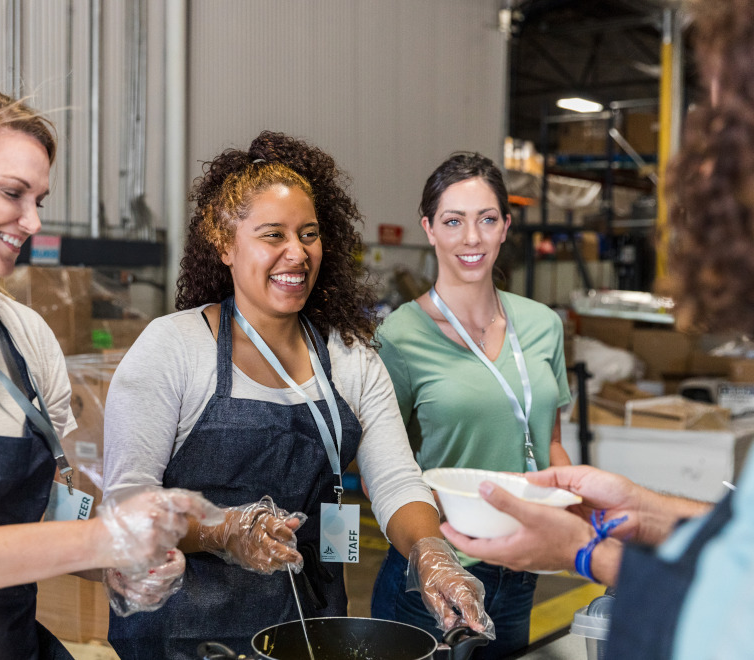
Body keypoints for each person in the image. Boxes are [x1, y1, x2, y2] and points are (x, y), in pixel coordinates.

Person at [441, 1, 754, 658]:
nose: (704, 163)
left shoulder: (539, 322)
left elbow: (744, 620)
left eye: (725, 126)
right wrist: (642, 509)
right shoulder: (405, 333)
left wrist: (584, 552)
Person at [102, 131, 493, 659]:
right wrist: (222, 531)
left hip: (308, 624)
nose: (298, 253)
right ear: (224, 244)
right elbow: (129, 501)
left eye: (309, 234)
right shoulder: (174, 347)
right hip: (183, 630)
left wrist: (430, 553)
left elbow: (397, 481)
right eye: (273, 235)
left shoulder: (350, 358)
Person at [0, 83, 219, 660]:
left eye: (40, 200)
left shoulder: (27, 339)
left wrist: (118, 564)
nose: (32, 221)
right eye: (12, 193)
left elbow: (42, 509)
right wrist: (101, 539)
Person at [370, 151, 571, 658]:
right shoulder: (399, 337)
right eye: (453, 221)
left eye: (486, 219)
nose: (472, 238)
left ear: (506, 227)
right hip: (435, 577)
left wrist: (571, 521)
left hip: (520, 570)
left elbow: (549, 443)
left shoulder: (543, 325)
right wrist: (432, 555)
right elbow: (378, 469)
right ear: (429, 229)